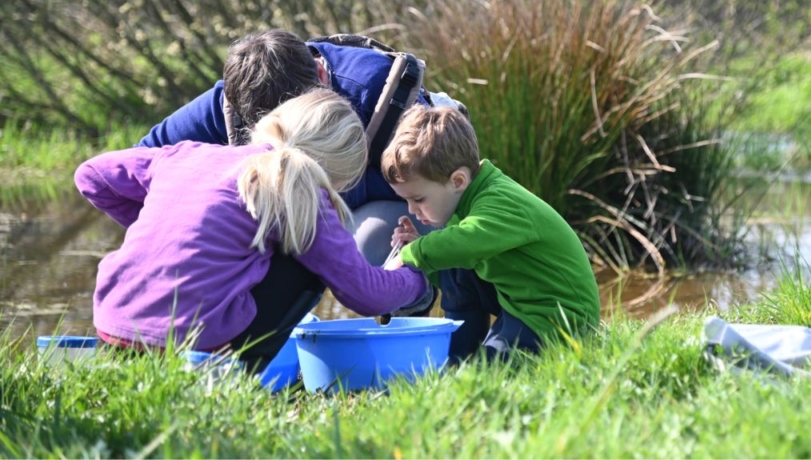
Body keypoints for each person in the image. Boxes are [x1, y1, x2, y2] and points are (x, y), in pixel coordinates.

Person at [75, 89, 431, 371]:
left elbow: (90, 174)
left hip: (112, 331)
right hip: (193, 352)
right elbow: (365, 294)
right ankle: (241, 373)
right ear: (335, 168)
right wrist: (417, 279)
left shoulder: (188, 153)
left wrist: (159, 227)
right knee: (307, 258)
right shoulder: (299, 188)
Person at [136, 28, 440, 266]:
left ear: (321, 76)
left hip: (384, 212)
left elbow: (447, 186)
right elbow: (137, 165)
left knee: (370, 245)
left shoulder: (379, 94)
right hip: (294, 219)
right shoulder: (233, 100)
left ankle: (410, 329)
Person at [380, 105, 601, 361]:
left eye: (418, 198)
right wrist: (422, 249)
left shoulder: (498, 201)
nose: (412, 209)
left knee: (490, 374)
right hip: (520, 301)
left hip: (556, 316)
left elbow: (466, 242)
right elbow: (456, 258)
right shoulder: (466, 201)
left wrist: (412, 253)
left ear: (458, 181)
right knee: (454, 264)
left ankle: (477, 362)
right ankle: (458, 354)